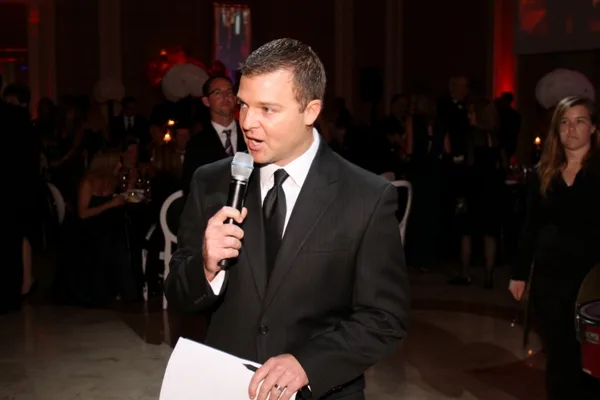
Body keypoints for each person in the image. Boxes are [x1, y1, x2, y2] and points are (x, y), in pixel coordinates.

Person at [165, 38, 409, 400]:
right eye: (243, 105)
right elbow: (178, 294)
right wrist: (205, 266)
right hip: (226, 387)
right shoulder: (212, 182)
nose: (247, 122)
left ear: (310, 111)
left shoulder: (366, 197)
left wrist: (309, 364)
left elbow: (384, 317)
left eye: (267, 109)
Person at [509, 96, 600, 399]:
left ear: (593, 127)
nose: (571, 129)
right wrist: (519, 274)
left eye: (579, 121)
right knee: (559, 357)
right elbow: (530, 226)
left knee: (590, 359)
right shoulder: (543, 172)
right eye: (564, 122)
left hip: (592, 280)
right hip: (550, 279)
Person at [182, 75, 247, 195]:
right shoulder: (196, 145)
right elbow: (191, 189)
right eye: (218, 93)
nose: (225, 96)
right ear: (206, 101)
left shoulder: (250, 135)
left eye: (229, 91)